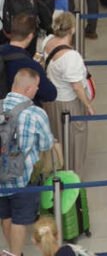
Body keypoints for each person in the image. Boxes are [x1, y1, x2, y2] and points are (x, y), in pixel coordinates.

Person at [0, 69, 54, 256]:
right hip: (22, 176)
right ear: (29, 88)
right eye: (36, 87)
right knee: (20, 220)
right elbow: (46, 143)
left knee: (5, 216)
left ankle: (14, 252)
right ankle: (16, 254)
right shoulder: (35, 113)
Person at [37, 11, 92, 177]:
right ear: (72, 30)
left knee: (56, 136)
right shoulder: (71, 56)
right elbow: (76, 86)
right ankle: (72, 175)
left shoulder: (47, 42)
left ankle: (57, 171)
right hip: (69, 104)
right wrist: (88, 105)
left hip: (50, 101)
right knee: (75, 139)